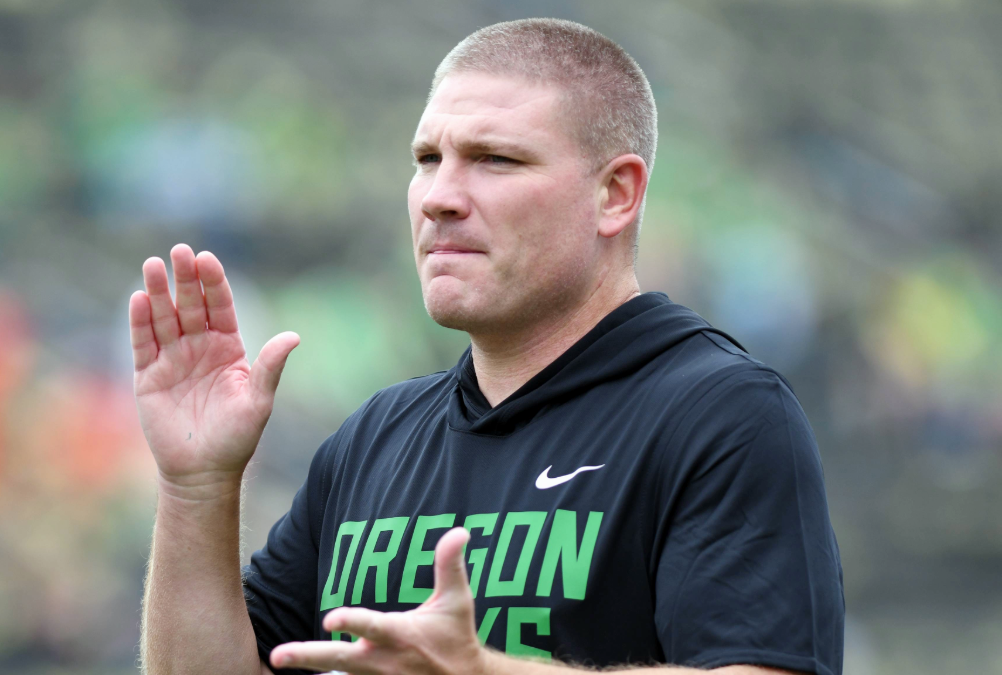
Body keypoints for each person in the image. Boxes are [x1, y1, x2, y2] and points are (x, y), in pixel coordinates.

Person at [130, 17, 844, 675]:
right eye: (426, 157)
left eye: (494, 159)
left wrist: (482, 670)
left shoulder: (721, 412)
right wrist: (195, 488)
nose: (439, 194)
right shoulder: (374, 437)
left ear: (616, 195)